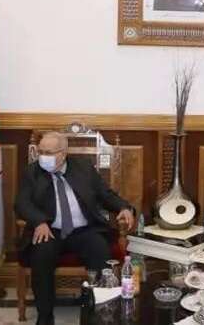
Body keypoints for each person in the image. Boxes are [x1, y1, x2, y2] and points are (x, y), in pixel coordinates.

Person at [15, 131, 136, 325]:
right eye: (40, 152)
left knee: (100, 251)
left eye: (48, 152)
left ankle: (101, 311)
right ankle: (45, 316)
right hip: (50, 230)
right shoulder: (32, 172)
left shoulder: (83, 168)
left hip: (84, 230)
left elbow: (105, 194)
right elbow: (22, 203)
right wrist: (39, 221)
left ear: (63, 154)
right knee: (41, 254)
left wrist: (124, 207)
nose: (43, 157)